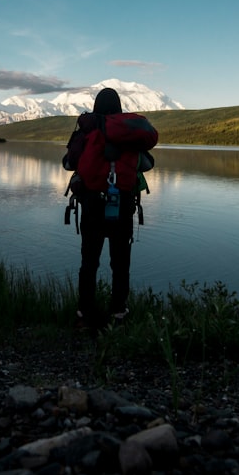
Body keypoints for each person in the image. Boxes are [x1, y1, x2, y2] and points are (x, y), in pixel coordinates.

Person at [63, 87, 156, 332]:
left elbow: (69, 162)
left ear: (96, 107)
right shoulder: (129, 132)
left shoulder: (89, 129)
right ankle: (118, 314)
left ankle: (84, 315)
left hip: (93, 204)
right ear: (119, 107)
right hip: (123, 205)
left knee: (89, 262)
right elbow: (146, 163)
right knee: (121, 262)